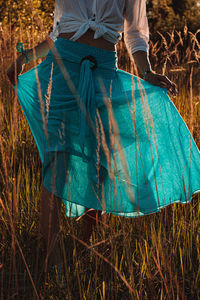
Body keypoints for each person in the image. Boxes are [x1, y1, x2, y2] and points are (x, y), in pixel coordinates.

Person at [7, 0, 200, 272]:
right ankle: (52, 260)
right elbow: (58, 31)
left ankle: (82, 246)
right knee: (56, 161)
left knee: (101, 165)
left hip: (105, 72)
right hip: (64, 68)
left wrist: (147, 73)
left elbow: (135, 35)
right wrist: (26, 56)